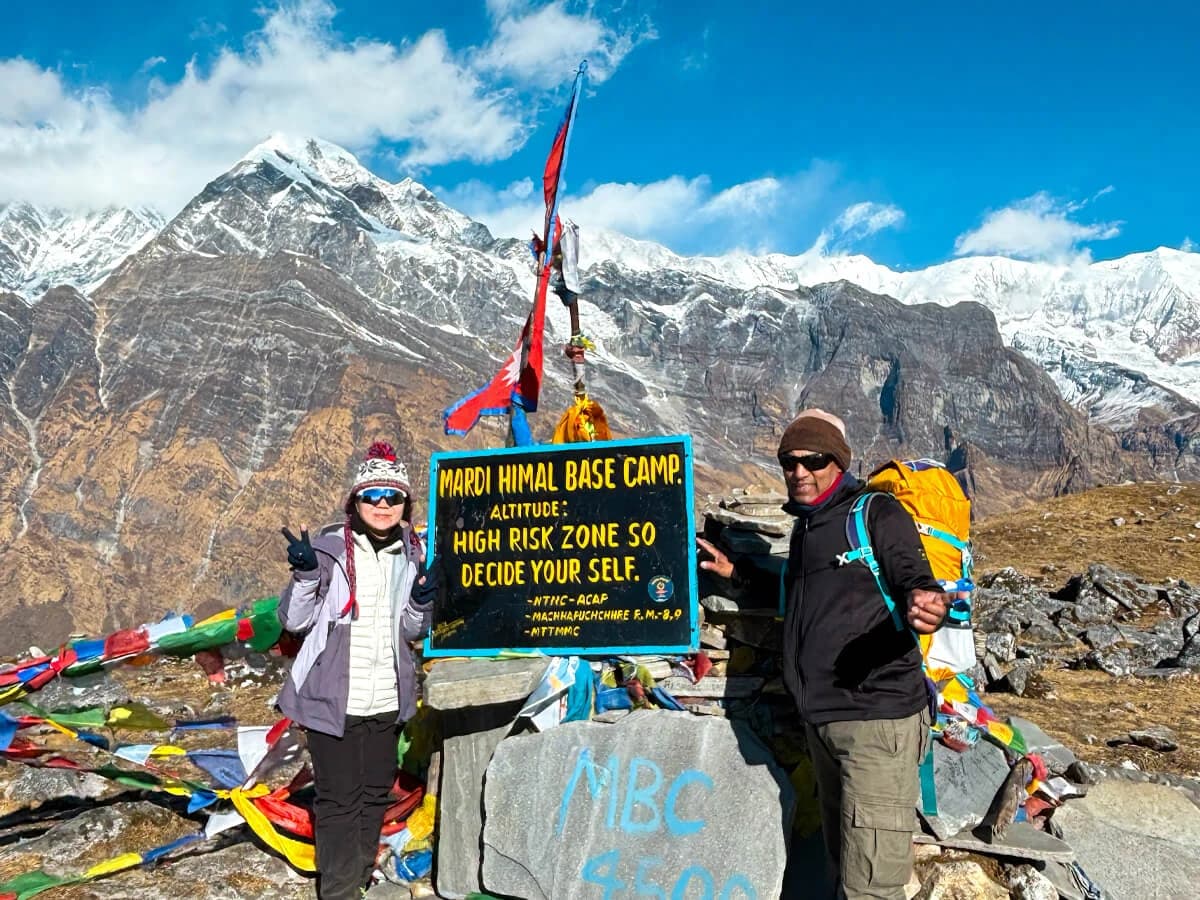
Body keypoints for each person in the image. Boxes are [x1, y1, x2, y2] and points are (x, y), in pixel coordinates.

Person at [698, 411, 950, 900]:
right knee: (844, 864)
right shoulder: (811, 527)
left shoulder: (874, 513)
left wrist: (926, 601)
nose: (799, 472)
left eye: (813, 460)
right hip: (826, 725)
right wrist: (739, 574)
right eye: (789, 462)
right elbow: (804, 594)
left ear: (838, 462)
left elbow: (910, 576)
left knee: (871, 885)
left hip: (878, 723)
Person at [277, 441, 437, 900]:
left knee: (372, 796)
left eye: (393, 495)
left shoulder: (414, 553)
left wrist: (421, 602)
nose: (383, 504)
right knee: (338, 801)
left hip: (388, 696)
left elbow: (409, 628)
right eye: (372, 495)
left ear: (406, 503)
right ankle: (339, 891)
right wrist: (306, 577)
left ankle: (360, 874)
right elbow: (295, 620)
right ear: (356, 501)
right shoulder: (326, 551)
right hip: (333, 699)